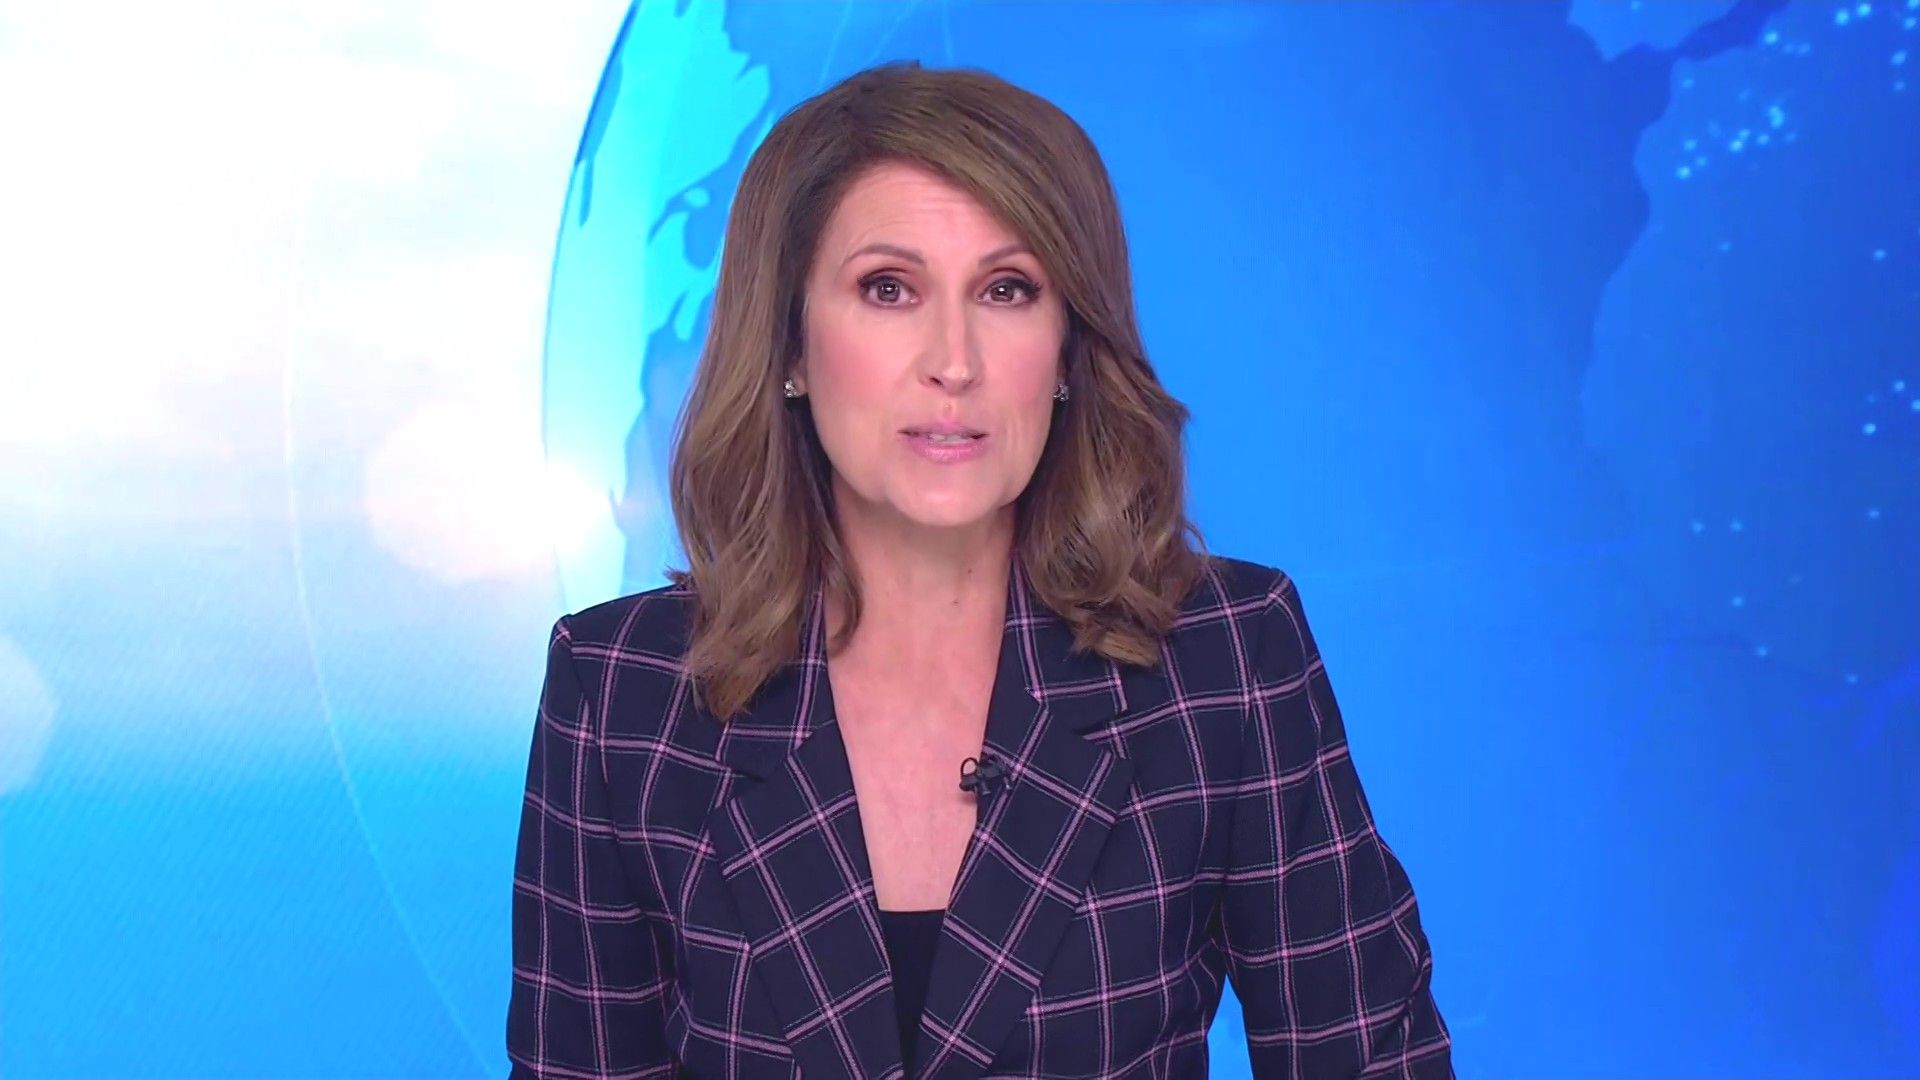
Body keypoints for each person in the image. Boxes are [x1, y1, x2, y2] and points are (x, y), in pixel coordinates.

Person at [507, 60, 1451, 1079]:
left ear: (1068, 350)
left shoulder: (1225, 660)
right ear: (789, 347)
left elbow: (1371, 1060)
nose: (953, 362)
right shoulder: (623, 694)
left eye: (1007, 291)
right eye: (888, 289)